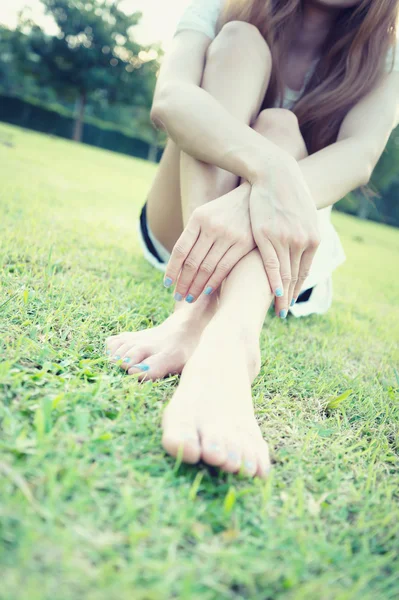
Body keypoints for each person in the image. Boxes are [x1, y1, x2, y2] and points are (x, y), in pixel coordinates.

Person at [106, 0, 399, 478]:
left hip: (285, 258)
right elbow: (172, 99)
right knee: (240, 41)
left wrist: (253, 197)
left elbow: (359, 158)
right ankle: (193, 308)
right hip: (184, 226)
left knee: (279, 124)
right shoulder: (221, 6)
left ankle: (231, 339)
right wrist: (272, 168)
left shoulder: (384, 57)